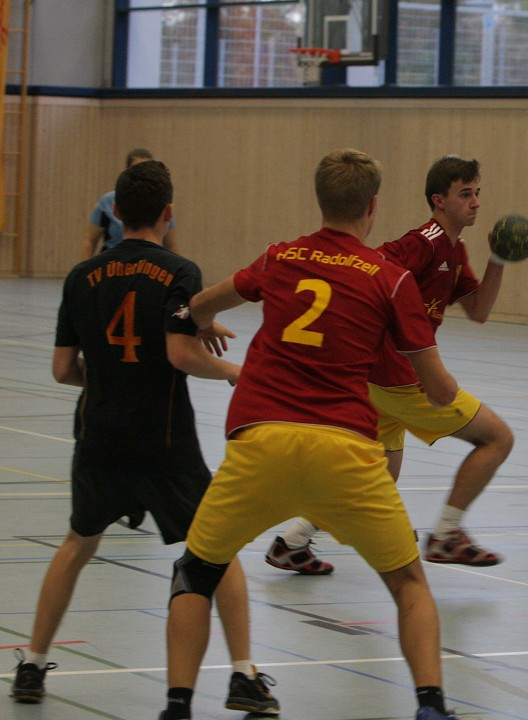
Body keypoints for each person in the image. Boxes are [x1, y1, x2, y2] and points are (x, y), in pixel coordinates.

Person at [162, 149, 460, 720]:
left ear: (321, 201)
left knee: (195, 573)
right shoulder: (391, 278)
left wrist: (195, 322)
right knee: (407, 582)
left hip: (262, 441)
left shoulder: (280, 258)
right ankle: (432, 707)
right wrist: (444, 396)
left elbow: (200, 305)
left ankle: (176, 708)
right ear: (373, 205)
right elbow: (439, 389)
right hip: (345, 451)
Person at [11, 160, 276, 717]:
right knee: (216, 550)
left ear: (115, 212)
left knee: (77, 542)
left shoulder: (81, 276)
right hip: (163, 441)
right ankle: (244, 675)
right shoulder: (179, 270)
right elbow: (180, 354)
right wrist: (233, 372)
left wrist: (110, 374)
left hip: (99, 435)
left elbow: (63, 370)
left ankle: (32, 664)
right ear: (167, 212)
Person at [266, 156, 514, 573]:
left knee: (378, 476)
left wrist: (499, 259)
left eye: (477, 194)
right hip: (402, 380)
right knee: (497, 439)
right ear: (439, 200)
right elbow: (371, 266)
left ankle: (292, 542)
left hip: (380, 380)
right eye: (465, 195)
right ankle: (448, 534)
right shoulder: (424, 241)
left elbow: (478, 310)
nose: (475, 203)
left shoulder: (454, 248)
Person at [83, 148, 178, 259]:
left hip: (150, 264)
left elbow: (171, 244)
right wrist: (85, 268)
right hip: (112, 263)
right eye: (137, 170)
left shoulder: (161, 201)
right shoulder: (107, 201)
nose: (143, 176)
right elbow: (90, 240)